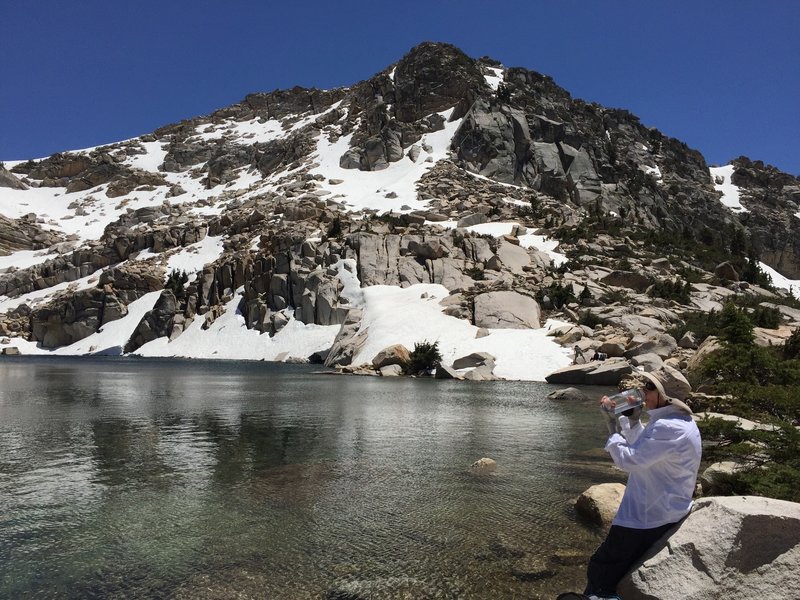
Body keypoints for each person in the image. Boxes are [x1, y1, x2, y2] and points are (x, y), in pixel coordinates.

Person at [582, 370, 702, 600]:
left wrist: (613, 428)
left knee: (601, 571)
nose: (642, 391)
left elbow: (630, 460)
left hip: (646, 516)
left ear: (664, 395)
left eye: (649, 386)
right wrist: (633, 420)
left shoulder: (669, 427)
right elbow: (646, 449)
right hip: (667, 509)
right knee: (619, 568)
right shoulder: (677, 421)